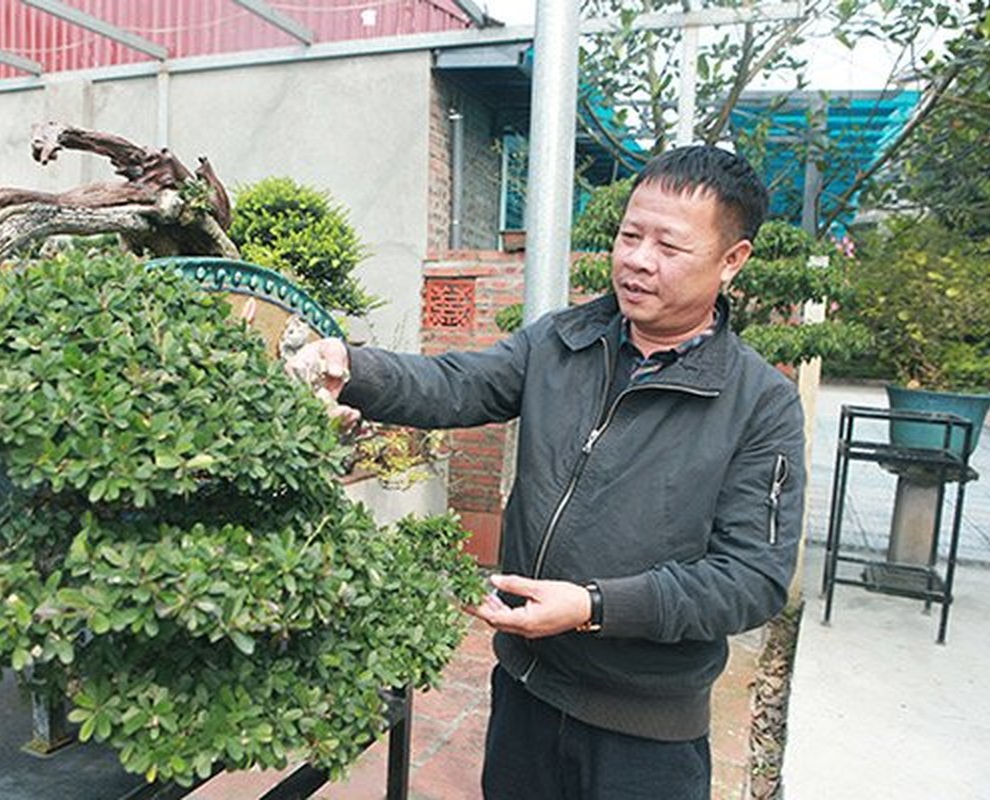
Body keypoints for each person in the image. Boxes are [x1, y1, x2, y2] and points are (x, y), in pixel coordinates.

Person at [291, 145, 805, 800]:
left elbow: (751, 580)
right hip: (526, 695)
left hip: (645, 734)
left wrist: (593, 606)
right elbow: (458, 384)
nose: (637, 260)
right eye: (629, 235)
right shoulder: (563, 341)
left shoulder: (759, 403)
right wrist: (352, 368)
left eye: (669, 247)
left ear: (732, 261)